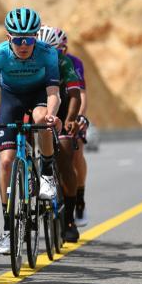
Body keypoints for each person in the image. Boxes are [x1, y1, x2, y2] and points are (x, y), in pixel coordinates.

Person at [0, 8, 62, 254]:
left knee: (40, 118)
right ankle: (7, 228)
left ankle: (46, 173)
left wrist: (52, 114)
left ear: (36, 37)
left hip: (38, 97)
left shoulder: (48, 53)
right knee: (6, 163)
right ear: (8, 38)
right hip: (11, 100)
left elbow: (53, 94)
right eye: (18, 39)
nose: (24, 45)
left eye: (29, 39)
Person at [37, 25, 82, 241]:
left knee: (65, 157)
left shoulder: (64, 62)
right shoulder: (30, 60)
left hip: (62, 111)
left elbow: (74, 94)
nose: (49, 55)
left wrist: (71, 119)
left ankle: (70, 219)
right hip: (37, 107)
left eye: (53, 51)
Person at [55, 28, 90, 227]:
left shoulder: (74, 62)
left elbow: (81, 95)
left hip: (71, 108)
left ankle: (80, 199)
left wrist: (79, 117)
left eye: (59, 49)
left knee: (76, 153)